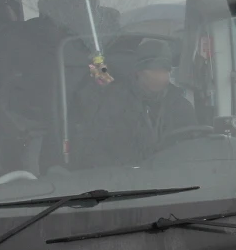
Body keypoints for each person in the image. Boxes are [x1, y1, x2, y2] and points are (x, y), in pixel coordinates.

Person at [71, 38, 197, 168]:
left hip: (175, 180)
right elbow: (94, 149)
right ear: (138, 71)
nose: (160, 75)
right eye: (154, 68)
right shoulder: (113, 103)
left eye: (165, 69)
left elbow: (193, 151)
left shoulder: (181, 107)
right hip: (125, 182)